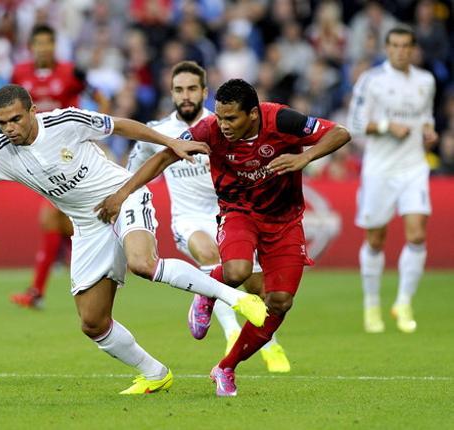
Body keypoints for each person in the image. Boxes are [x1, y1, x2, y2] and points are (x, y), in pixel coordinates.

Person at [0, 84, 267, 394]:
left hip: (123, 196)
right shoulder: (1, 151)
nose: (9, 128)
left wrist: (170, 142)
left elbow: (121, 125)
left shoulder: (65, 122)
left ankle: (234, 299)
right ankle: (154, 373)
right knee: (92, 322)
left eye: (15, 119)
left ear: (32, 111)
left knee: (142, 263)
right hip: (88, 226)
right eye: (2, 123)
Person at [95, 79, 350, 396]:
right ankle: (206, 292)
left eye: (232, 119)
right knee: (237, 271)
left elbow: (340, 132)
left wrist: (304, 157)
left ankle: (226, 367)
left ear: (253, 115)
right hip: (239, 211)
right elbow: (163, 158)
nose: (224, 125)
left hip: (285, 220)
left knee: (280, 302)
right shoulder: (209, 129)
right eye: (220, 116)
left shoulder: (282, 119)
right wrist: (121, 195)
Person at [127, 61, 290, 372]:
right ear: (171, 93)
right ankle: (230, 335)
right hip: (188, 219)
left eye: (191, 89)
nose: (185, 96)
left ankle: (271, 343)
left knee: (260, 289)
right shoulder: (158, 132)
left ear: (204, 91)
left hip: (232, 214)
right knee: (210, 253)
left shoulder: (227, 125)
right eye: (178, 90)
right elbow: (133, 172)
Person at [9, 24, 110, 309]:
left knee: (52, 219)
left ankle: (37, 291)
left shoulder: (70, 72)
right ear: (31, 47)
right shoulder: (20, 74)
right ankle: (45, 288)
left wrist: (93, 126)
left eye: (48, 43)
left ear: (55, 46)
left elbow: (101, 97)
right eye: (38, 43)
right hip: (38, 155)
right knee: (61, 222)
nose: (43, 48)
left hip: (68, 152)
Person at [347, 26, 438, 334]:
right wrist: (387, 125)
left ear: (413, 49)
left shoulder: (426, 81)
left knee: (416, 235)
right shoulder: (371, 81)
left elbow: (426, 115)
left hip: (414, 167)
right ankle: (371, 304)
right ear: (387, 48)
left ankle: (403, 301)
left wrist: (429, 130)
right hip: (380, 170)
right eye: (395, 45)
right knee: (375, 239)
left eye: (406, 46)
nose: (401, 50)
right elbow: (355, 124)